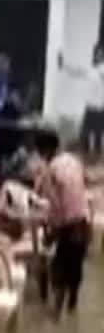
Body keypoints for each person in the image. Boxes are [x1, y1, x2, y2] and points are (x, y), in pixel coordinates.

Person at [35, 131, 91, 317]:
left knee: (58, 267)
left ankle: (57, 310)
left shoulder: (51, 170)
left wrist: (50, 231)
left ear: (46, 150)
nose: (41, 157)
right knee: (75, 266)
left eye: (41, 152)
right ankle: (72, 304)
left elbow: (54, 204)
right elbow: (83, 186)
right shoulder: (74, 161)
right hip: (84, 221)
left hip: (67, 225)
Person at [59, 43, 104, 158]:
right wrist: (64, 66)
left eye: (100, 53)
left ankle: (97, 158)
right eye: (96, 53)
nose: (97, 55)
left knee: (98, 135)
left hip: (100, 107)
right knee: (85, 134)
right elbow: (78, 71)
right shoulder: (92, 69)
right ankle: (86, 156)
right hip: (90, 106)